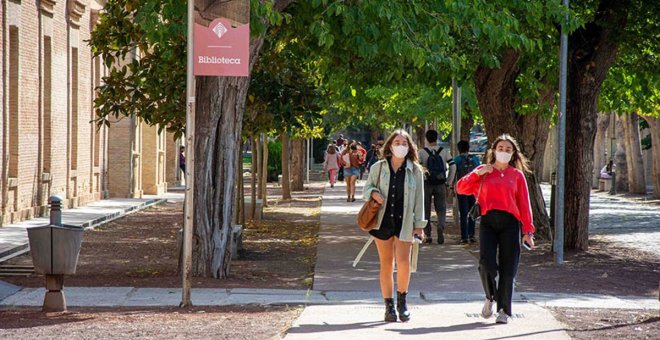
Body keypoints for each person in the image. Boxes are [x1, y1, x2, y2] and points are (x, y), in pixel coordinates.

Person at [456, 134, 535, 324]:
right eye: (501, 148)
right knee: (486, 264)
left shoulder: (516, 175)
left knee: (509, 268)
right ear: (493, 150)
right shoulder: (483, 171)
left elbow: (524, 204)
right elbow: (461, 188)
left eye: (508, 150)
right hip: (488, 222)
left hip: (510, 223)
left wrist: (528, 231)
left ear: (513, 153)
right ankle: (490, 297)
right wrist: (477, 173)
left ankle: (504, 310)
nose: (504, 152)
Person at [363, 129, 426, 322]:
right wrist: (373, 193)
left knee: (404, 262)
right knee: (386, 264)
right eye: (397, 143)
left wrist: (419, 225)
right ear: (390, 146)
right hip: (382, 221)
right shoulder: (378, 168)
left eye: (404, 143)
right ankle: (388, 305)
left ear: (410, 147)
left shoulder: (415, 170)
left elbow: (419, 200)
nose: (400, 146)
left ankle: (402, 302)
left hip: (404, 221)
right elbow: (367, 189)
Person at [418, 130, 455, 244]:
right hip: (440, 183)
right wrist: (449, 182)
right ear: (437, 137)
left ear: (426, 138)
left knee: (426, 209)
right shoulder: (443, 151)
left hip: (426, 183)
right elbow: (453, 165)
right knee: (441, 208)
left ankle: (428, 235)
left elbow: (417, 168)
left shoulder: (421, 152)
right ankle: (441, 226)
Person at [453, 140, 481, 245]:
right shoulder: (475, 159)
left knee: (463, 214)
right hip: (473, 190)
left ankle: (464, 237)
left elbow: (454, 173)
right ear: (468, 148)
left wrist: (452, 186)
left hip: (462, 190)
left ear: (458, 149)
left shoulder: (457, 160)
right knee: (472, 212)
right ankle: (472, 235)